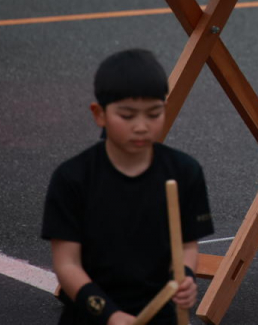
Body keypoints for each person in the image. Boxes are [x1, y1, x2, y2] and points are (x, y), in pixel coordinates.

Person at [42, 49, 214, 324]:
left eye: (154, 114)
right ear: (99, 114)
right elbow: (66, 264)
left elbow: (187, 246)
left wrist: (185, 279)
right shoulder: (73, 178)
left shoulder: (185, 171)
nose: (141, 126)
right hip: (91, 315)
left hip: (160, 314)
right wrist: (109, 314)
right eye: (127, 115)